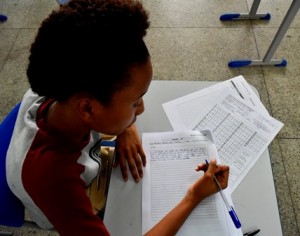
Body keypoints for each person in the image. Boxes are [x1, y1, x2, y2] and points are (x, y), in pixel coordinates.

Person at [5, 0, 230, 235]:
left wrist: (126, 128)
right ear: (88, 109)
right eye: (135, 102)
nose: (142, 109)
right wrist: (193, 197)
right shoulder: (53, 178)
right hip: (66, 206)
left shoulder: (62, 86)